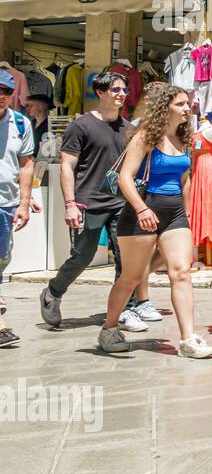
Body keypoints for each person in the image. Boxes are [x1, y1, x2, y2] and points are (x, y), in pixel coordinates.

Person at [98, 84, 212, 358]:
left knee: (181, 272)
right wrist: (140, 209)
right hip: (144, 210)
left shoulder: (184, 140)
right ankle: (109, 328)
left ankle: (187, 338)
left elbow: (184, 181)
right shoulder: (145, 137)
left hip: (174, 213)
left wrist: (185, 216)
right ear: (165, 107)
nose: (187, 109)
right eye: (181, 104)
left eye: (188, 104)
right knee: (131, 277)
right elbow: (125, 178)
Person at [40, 72, 161, 330]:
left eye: (124, 90)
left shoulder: (128, 129)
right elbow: (67, 167)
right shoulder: (81, 126)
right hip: (88, 203)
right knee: (82, 256)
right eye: (116, 90)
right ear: (100, 92)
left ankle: (125, 310)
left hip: (120, 203)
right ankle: (53, 291)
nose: (122, 94)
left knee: (125, 259)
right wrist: (70, 203)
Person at [0, 69, 34, 347]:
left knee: (2, 258)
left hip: (7, 203)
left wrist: (24, 201)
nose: (1, 96)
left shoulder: (21, 123)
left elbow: (26, 164)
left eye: (7, 91)